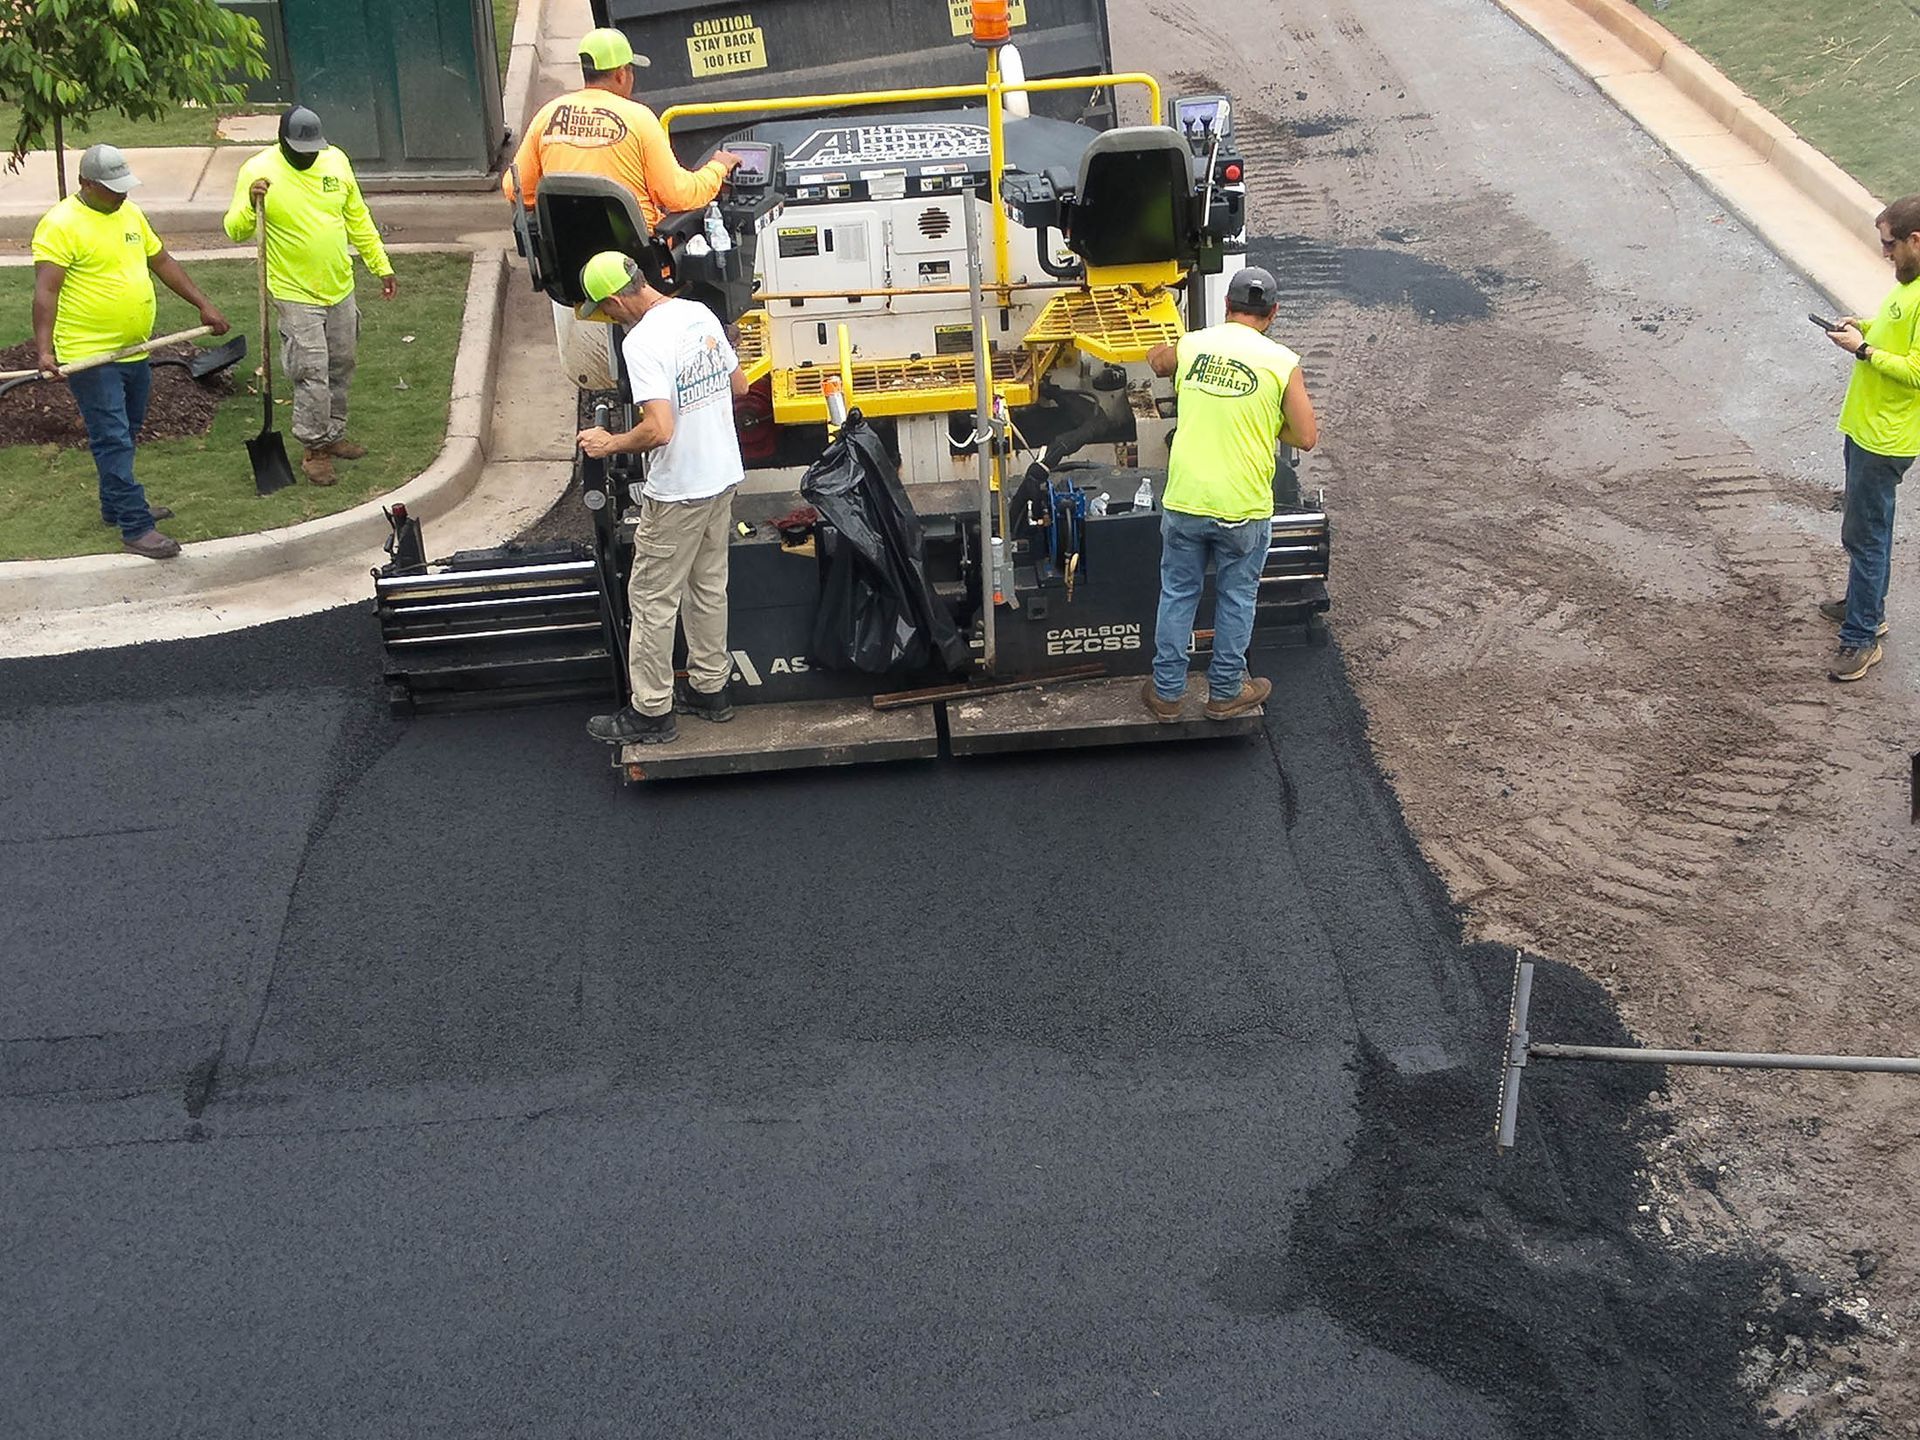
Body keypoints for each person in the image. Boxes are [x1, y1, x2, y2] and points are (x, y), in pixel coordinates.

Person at [505, 27, 742, 389]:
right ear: (621, 74)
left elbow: (514, 188)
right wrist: (718, 169)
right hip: (640, 268)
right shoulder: (638, 119)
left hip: (570, 271)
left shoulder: (547, 116)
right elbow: (681, 195)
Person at [576, 253, 748, 746]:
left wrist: (609, 443)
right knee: (708, 588)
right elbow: (737, 384)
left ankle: (651, 711)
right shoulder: (697, 312)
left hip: (680, 491)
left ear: (614, 300)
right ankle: (711, 690)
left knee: (652, 598)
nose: (608, 318)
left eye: (604, 311)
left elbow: (658, 428)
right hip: (722, 476)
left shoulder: (643, 340)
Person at [31, 144, 231, 559]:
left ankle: (115, 505)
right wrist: (44, 350)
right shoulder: (60, 224)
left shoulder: (130, 213)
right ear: (86, 184)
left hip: (134, 350)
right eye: (112, 189)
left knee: (129, 428)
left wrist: (203, 303)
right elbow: (45, 292)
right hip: (90, 355)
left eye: (124, 187)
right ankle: (135, 526)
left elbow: (161, 261)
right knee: (113, 438)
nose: (122, 194)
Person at [1143, 266, 1318, 719]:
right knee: (1236, 598)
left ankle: (1166, 695)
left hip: (1185, 500)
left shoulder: (1196, 344)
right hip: (1242, 508)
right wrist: (1263, 418)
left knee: (1178, 593)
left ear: (1226, 307)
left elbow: (1160, 361)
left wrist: (1153, 345)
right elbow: (1306, 436)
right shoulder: (1282, 363)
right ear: (1273, 313)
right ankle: (1224, 693)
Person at [223, 105, 395, 487]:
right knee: (311, 369)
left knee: (342, 362)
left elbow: (358, 218)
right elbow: (233, 229)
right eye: (300, 148)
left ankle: (333, 434)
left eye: (313, 148)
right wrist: (252, 204)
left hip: (339, 285)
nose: (308, 155)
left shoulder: (336, 163)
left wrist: (380, 264)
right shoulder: (258, 170)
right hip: (294, 291)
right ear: (283, 141)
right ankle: (313, 447)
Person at [1820, 194, 1920, 682]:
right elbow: (1894, 334)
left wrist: (1863, 351)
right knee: (1862, 531)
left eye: (1890, 245)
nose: (1885, 254)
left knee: (1868, 537)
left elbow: (1918, 369)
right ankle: (1864, 606)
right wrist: (1864, 328)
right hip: (1866, 429)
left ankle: (1862, 636)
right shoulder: (1908, 285)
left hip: (1886, 440)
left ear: (1915, 240)